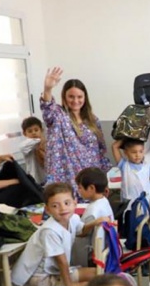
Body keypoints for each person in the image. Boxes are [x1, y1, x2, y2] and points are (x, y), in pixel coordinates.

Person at [40, 67, 112, 195]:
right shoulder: (58, 115)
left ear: (85, 97)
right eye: (71, 97)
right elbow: (47, 108)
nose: (75, 101)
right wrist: (48, 89)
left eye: (79, 97)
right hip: (67, 177)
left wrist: (104, 179)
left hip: (90, 180)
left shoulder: (93, 120)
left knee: (92, 212)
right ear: (64, 96)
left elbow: (100, 151)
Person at [73, 167, 114, 267]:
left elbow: (81, 232)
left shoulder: (92, 211)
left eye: (80, 187)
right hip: (104, 251)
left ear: (91, 188)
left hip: (89, 258)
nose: (79, 191)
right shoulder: (104, 201)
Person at [111, 139, 150, 203]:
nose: (138, 155)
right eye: (134, 152)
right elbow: (114, 146)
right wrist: (128, 137)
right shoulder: (124, 165)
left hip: (145, 202)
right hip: (128, 203)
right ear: (126, 152)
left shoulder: (148, 166)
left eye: (141, 151)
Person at [20, 116, 46, 184]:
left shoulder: (46, 144)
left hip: (47, 178)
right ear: (24, 133)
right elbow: (22, 147)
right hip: (34, 180)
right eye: (30, 131)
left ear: (41, 130)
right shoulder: (27, 145)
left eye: (36, 130)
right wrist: (41, 139)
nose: (34, 133)